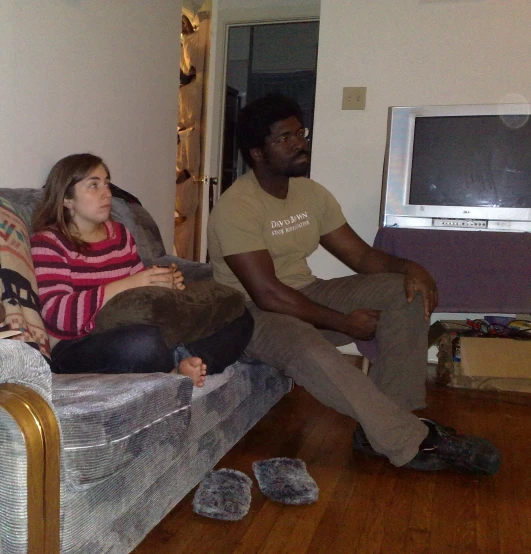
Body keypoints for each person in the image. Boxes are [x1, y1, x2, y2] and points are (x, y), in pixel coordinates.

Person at [207, 93, 500, 474]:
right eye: (285, 138)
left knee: (404, 290)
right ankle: (412, 442)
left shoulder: (311, 194)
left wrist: (410, 266)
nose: (300, 143)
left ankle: (388, 428)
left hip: (304, 294)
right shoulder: (236, 207)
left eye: (300, 132)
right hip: (251, 315)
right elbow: (267, 293)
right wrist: (342, 323)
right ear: (257, 153)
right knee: (308, 347)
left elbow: (361, 257)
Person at [31, 153, 253, 387]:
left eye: (106, 183)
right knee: (144, 343)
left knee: (239, 314)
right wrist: (133, 282)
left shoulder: (119, 234)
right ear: (67, 198)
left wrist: (166, 285)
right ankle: (173, 364)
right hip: (77, 345)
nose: (107, 192)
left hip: (132, 326)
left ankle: (189, 362)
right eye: (93, 185)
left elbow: (141, 296)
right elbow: (58, 315)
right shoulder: (49, 242)